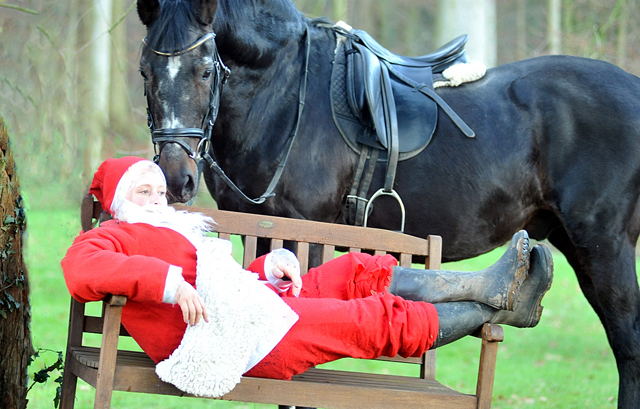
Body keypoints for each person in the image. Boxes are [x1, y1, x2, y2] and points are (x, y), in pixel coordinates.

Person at [61, 156, 553, 397]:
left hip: (254, 306)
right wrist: (169, 284)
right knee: (366, 318)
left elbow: (224, 282)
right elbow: (81, 270)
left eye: (159, 191)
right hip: (237, 339)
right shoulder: (115, 237)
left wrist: (269, 268)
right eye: (142, 191)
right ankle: (501, 303)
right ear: (119, 204)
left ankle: (487, 290)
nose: (156, 200)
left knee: (355, 269)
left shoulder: (176, 231)